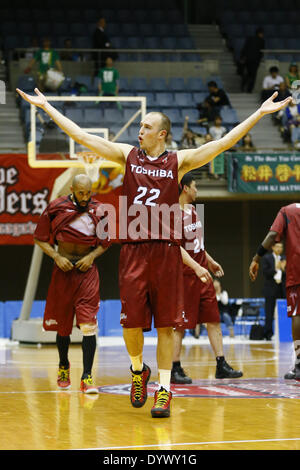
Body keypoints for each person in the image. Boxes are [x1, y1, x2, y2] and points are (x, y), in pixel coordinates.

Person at [16, 86, 291, 418]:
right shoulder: (127, 155)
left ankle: (164, 391)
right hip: (134, 251)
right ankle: (137, 371)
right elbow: (82, 135)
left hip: (166, 253)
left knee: (165, 327)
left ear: (161, 134)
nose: (139, 130)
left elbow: (223, 143)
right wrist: (47, 108)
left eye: (146, 127)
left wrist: (259, 114)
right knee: (131, 327)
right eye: (140, 126)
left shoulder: (179, 162)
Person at [33, 174, 110, 393]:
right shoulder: (56, 207)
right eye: (81, 193)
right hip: (63, 270)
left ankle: (87, 377)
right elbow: (39, 238)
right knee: (64, 326)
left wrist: (91, 256)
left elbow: (106, 243)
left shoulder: (100, 210)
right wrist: (57, 257)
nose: (86, 197)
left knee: (88, 326)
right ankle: (63, 365)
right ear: (73, 190)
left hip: (87, 271)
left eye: (89, 192)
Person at [171, 173, 242, 384]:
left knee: (213, 319)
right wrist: (195, 267)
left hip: (203, 274)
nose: (197, 190)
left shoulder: (193, 211)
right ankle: (175, 368)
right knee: (180, 325)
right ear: (185, 188)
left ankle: (221, 365)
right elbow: (175, 250)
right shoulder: (172, 215)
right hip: (184, 277)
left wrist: (208, 261)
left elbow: (197, 244)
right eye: (195, 186)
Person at [249, 203, 300, 378]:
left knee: (297, 315)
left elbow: (272, 235)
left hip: (297, 271)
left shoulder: (288, 211)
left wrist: (256, 257)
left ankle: (299, 364)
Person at [261, 242, 286, 340]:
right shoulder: (267, 258)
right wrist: (276, 268)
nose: (280, 248)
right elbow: (265, 273)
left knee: (284, 311)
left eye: (281, 246)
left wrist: (284, 269)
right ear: (272, 247)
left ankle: (284, 332)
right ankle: (268, 334)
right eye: (278, 246)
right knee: (269, 312)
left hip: (282, 288)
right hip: (270, 288)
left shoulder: (284, 258)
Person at [240, 28, 265, 93]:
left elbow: (244, 48)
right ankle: (249, 90)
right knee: (253, 76)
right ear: (260, 34)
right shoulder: (261, 40)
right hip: (255, 61)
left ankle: (243, 87)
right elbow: (261, 52)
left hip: (248, 60)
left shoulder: (249, 39)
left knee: (247, 74)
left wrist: (242, 58)